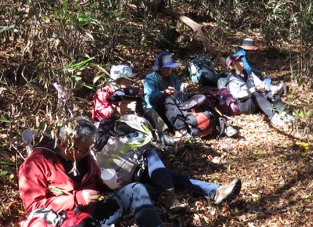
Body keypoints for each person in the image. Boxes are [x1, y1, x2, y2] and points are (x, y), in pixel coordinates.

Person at [18, 116, 192, 227]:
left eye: (89, 148)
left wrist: (108, 183)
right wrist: (76, 199)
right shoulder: (36, 164)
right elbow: (34, 208)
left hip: (92, 213)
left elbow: (95, 180)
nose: (88, 153)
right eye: (84, 149)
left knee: (135, 189)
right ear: (64, 144)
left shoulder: (83, 157)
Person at [95, 88, 242, 211]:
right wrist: (122, 138)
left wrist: (138, 115)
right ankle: (168, 195)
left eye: (129, 103)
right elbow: (100, 145)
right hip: (123, 172)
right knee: (152, 156)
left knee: (174, 176)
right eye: (124, 103)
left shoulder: (135, 119)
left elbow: (152, 134)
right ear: (115, 105)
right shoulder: (108, 124)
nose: (127, 107)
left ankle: (215, 191)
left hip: (143, 167)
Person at [224, 54, 294, 129]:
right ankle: (274, 117)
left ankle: (284, 114)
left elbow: (260, 83)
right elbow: (238, 95)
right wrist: (255, 89)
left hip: (256, 101)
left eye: (241, 60)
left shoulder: (248, 73)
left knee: (273, 95)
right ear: (232, 66)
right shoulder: (231, 79)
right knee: (256, 94)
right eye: (238, 61)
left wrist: (271, 88)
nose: (241, 62)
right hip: (243, 104)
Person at [144, 52, 190, 129]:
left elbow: (178, 93)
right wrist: (163, 93)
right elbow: (149, 100)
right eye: (166, 68)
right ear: (159, 67)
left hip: (172, 108)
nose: (168, 71)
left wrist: (183, 88)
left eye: (170, 68)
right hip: (156, 110)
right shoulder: (150, 79)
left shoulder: (172, 77)